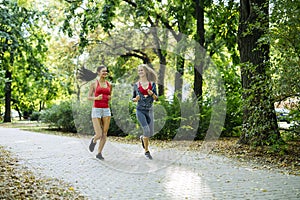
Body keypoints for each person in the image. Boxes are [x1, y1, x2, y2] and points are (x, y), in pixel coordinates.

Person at [78, 66, 112, 160]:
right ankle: (94, 140)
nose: (105, 72)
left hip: (106, 109)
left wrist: (109, 98)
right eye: (103, 71)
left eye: (106, 71)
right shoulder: (94, 84)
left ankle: (99, 153)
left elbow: (109, 96)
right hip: (96, 109)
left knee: (104, 134)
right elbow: (89, 97)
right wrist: (96, 98)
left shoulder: (109, 84)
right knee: (99, 134)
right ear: (98, 72)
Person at [132, 64, 158, 159]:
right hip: (140, 110)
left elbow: (156, 98)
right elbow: (133, 99)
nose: (140, 72)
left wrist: (152, 94)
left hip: (150, 110)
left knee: (150, 132)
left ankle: (143, 138)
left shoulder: (153, 84)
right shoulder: (136, 85)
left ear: (146, 71)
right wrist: (136, 99)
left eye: (142, 70)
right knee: (146, 130)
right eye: (139, 71)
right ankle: (147, 151)